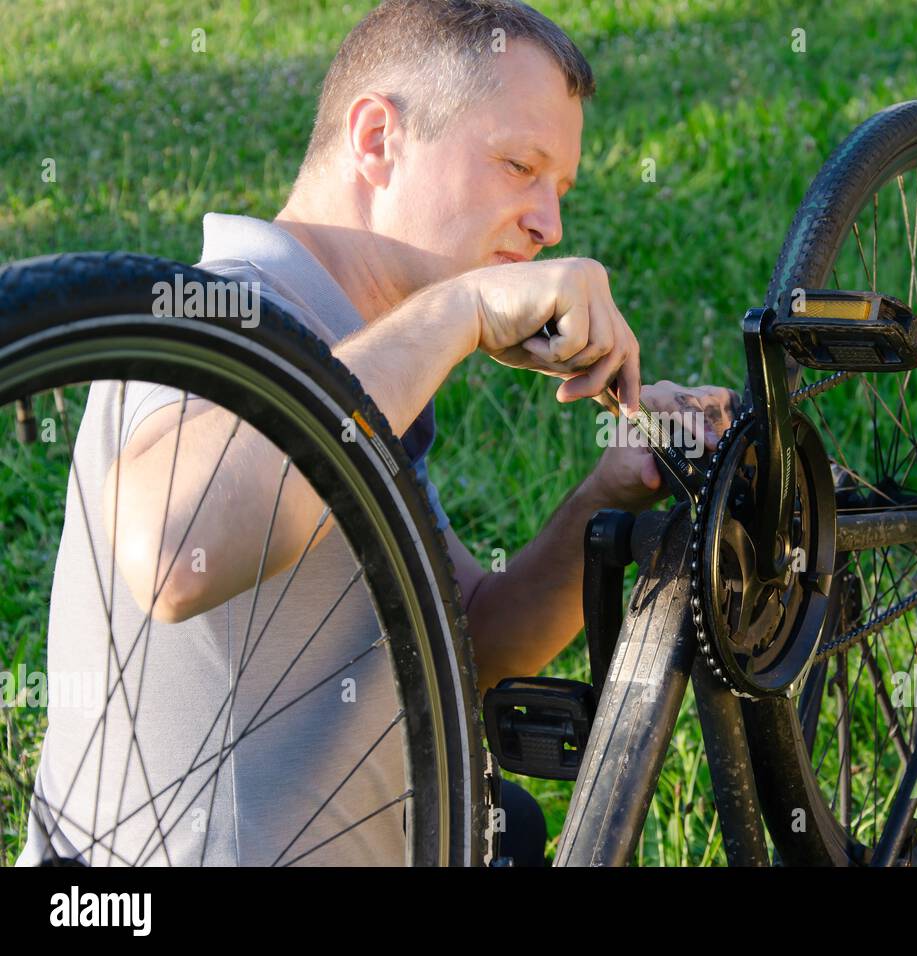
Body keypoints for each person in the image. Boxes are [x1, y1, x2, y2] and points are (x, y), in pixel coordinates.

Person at [19, 0, 736, 867]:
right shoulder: (208, 315)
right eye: (519, 165)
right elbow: (175, 550)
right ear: (376, 139)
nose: (551, 225)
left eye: (561, 190)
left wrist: (610, 487)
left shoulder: (359, 356)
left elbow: (465, 640)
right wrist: (458, 308)